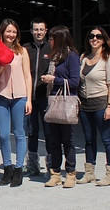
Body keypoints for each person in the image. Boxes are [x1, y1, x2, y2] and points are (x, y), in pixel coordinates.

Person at [0, 18, 32, 187]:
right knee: (3, 135)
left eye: (14, 31)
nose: (11, 35)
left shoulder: (22, 51)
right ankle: (8, 168)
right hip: (2, 96)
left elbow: (28, 76)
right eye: (8, 31)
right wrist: (2, 64)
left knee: (19, 133)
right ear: (2, 32)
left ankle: (19, 169)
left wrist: (29, 99)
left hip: (20, 96)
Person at [39, 25, 80, 188]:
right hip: (53, 100)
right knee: (54, 140)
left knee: (67, 140)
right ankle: (55, 173)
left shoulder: (72, 56)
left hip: (66, 101)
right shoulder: (54, 56)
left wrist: (53, 80)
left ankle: (71, 173)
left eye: (52, 38)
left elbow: (75, 81)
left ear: (60, 39)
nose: (49, 40)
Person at [77, 27, 110, 186]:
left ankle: (109, 174)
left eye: (98, 36)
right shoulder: (83, 57)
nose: (94, 39)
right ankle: (89, 172)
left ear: (104, 39)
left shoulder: (109, 58)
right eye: (91, 36)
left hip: (101, 103)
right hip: (85, 104)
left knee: (107, 139)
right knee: (88, 140)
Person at [22, 17, 51, 176]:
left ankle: (51, 165)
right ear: (31, 31)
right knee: (32, 132)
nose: (38, 32)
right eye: (36, 29)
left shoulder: (51, 48)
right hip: (30, 99)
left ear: (46, 31)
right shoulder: (25, 49)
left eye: (41, 29)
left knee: (49, 132)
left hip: (46, 98)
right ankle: (32, 165)